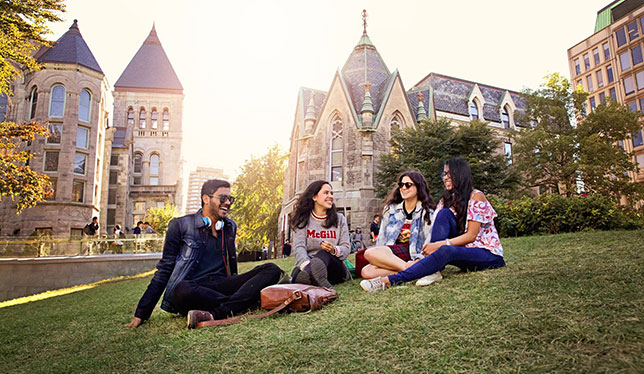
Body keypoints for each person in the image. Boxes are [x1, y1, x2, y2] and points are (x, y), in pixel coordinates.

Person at [126, 179, 282, 329]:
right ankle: (243, 303)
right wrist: (142, 313)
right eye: (223, 197)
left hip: (221, 286)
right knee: (182, 289)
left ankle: (220, 312)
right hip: (193, 289)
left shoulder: (229, 226)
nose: (228, 202)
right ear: (205, 199)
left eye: (230, 199)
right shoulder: (180, 225)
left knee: (271, 269)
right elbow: (165, 270)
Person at [360, 157, 506, 292]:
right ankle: (430, 269)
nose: (445, 178)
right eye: (445, 174)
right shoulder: (445, 201)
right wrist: (436, 247)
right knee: (444, 215)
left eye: (450, 174)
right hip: (460, 252)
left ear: (460, 175)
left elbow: (471, 236)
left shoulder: (476, 196)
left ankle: (388, 281)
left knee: (445, 249)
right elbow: (437, 230)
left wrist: (441, 244)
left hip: (487, 254)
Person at [360, 171, 437, 280]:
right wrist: (378, 257)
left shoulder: (427, 212)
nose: (403, 188)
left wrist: (420, 259)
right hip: (392, 253)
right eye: (401, 185)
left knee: (369, 253)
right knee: (367, 272)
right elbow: (382, 237)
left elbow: (429, 241)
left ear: (419, 187)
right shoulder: (391, 210)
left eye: (408, 185)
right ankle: (414, 271)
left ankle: (414, 268)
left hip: (414, 253)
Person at [290, 180, 351, 288]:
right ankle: (311, 275)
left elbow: (346, 247)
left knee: (324, 253)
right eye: (326, 193)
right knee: (303, 269)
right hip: (308, 263)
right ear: (314, 197)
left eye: (331, 193)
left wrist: (333, 250)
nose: (330, 196)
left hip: (334, 267)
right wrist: (306, 265)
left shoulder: (340, 219)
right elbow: (299, 247)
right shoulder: (302, 219)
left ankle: (307, 276)